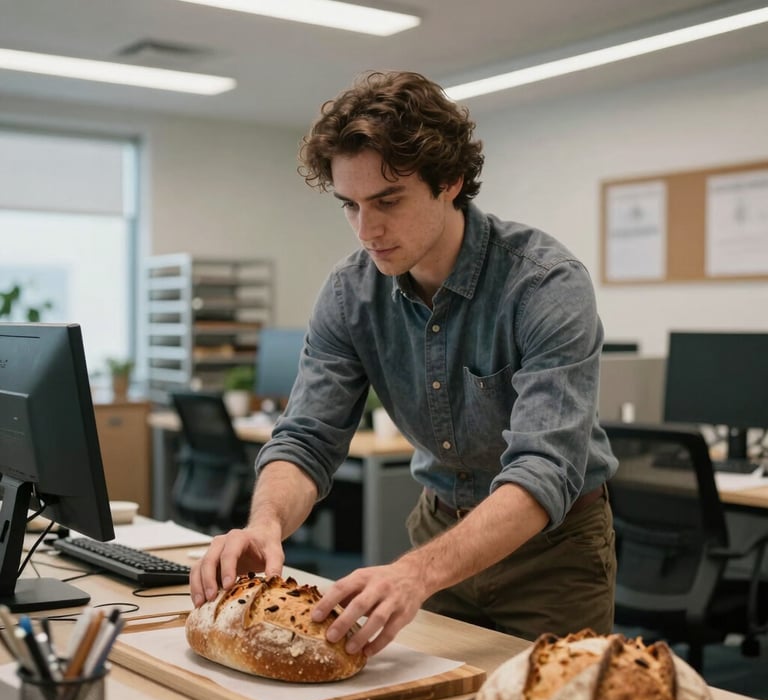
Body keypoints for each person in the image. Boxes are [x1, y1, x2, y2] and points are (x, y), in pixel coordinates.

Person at [190, 70, 618, 658]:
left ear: (451, 182)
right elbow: (307, 438)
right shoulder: (349, 294)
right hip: (437, 531)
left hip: (552, 553)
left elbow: (544, 471)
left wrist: (417, 573)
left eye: (388, 201)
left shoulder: (543, 283)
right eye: (351, 206)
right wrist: (265, 523)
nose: (367, 230)